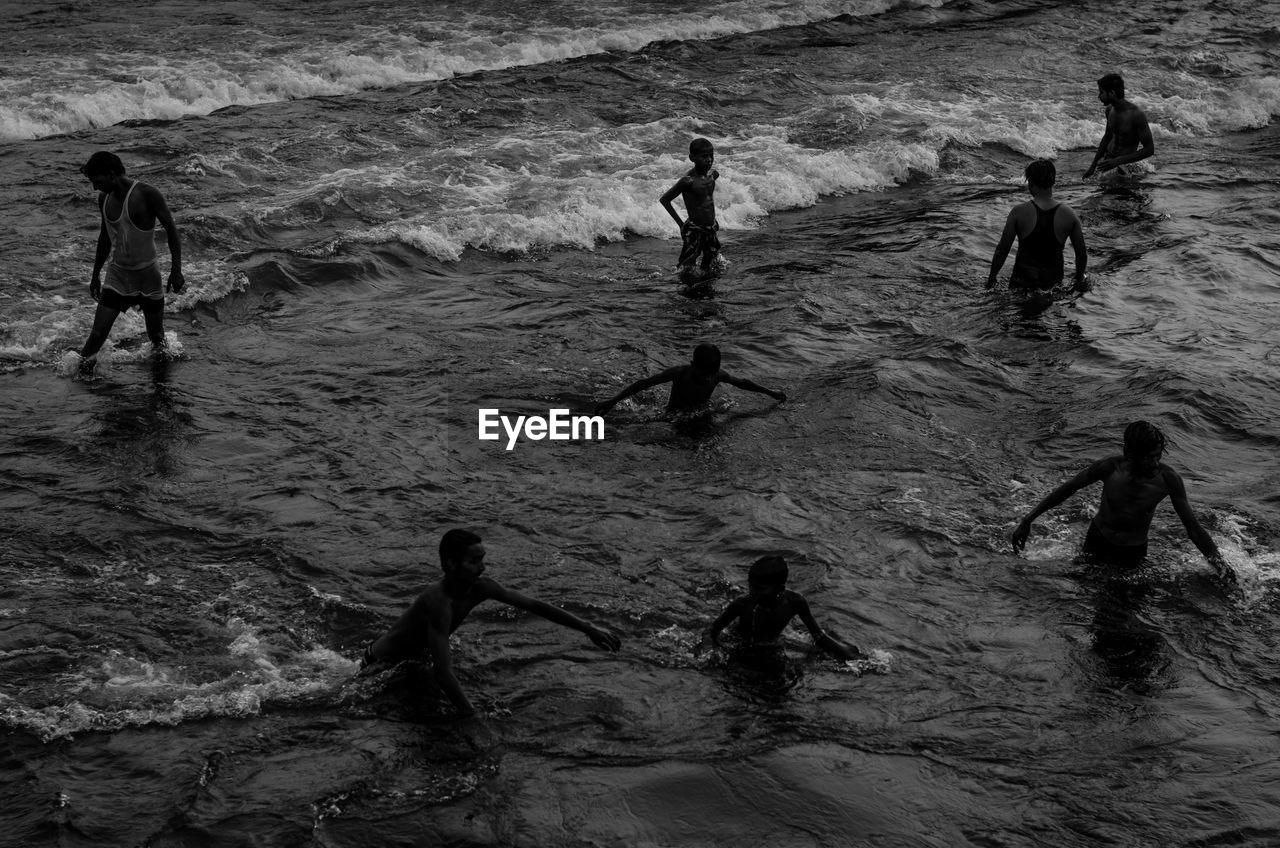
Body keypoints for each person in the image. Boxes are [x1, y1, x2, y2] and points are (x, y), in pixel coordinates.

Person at [360, 529, 621, 717]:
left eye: (482, 559)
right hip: (380, 664)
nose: (482, 567)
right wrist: (472, 717)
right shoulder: (438, 602)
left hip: (413, 659)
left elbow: (536, 606)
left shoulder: (480, 588)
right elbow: (442, 672)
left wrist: (589, 629)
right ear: (451, 564)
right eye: (474, 562)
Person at [1010, 421, 1230, 579]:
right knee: (1084, 593)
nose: (1153, 463)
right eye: (1146, 457)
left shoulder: (1168, 480)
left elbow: (1193, 528)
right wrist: (1028, 520)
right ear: (1129, 452)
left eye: (1157, 455)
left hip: (1131, 552)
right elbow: (1069, 488)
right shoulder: (1110, 468)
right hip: (1097, 541)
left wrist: (1220, 565)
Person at [77, 151, 184, 375]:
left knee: (157, 338)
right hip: (117, 276)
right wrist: (95, 275)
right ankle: (78, 380)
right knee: (96, 336)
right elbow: (105, 238)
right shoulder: (104, 199)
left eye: (97, 181)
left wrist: (176, 271)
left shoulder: (147, 194)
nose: (95, 188)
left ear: (112, 173)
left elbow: (172, 231)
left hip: (148, 277)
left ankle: (162, 386)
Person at [709, 556, 862, 661]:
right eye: (751, 586)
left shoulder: (795, 602)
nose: (752, 592)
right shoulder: (742, 604)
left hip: (770, 646)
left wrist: (849, 655)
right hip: (740, 644)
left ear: (780, 589)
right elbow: (714, 631)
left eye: (760, 588)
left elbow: (818, 636)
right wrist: (721, 651)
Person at [594, 342, 785, 415]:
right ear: (693, 365)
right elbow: (644, 384)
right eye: (704, 374)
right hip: (672, 417)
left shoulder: (716, 375)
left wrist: (771, 393)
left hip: (698, 414)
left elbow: (743, 383)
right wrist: (613, 401)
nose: (707, 379)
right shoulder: (680, 373)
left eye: (711, 374)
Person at [988, 159, 1088, 291]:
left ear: (1030, 182)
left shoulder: (1018, 212)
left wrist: (992, 278)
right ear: (1053, 181)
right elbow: (1081, 254)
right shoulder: (1069, 215)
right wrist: (1079, 278)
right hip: (1053, 286)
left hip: (1021, 283)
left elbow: (1002, 250)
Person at [660, 137, 720, 276]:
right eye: (704, 156)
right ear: (692, 158)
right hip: (694, 229)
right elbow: (665, 200)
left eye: (711, 155)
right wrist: (681, 224)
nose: (709, 160)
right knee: (687, 265)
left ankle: (705, 282)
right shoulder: (688, 181)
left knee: (710, 259)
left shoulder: (712, 176)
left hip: (710, 228)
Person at [1083, 73, 1155, 180]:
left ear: (1112, 93)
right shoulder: (1109, 110)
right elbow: (1107, 137)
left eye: (1101, 92)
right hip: (1107, 163)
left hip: (1124, 167)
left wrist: (1118, 161)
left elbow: (1149, 149)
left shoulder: (1136, 115)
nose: (1099, 97)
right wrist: (1093, 166)